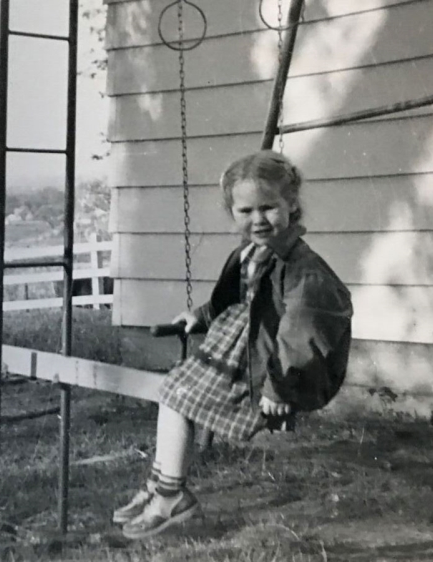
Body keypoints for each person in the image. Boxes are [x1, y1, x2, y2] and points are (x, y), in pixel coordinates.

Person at [112, 150, 353, 540]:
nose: (257, 219)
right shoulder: (252, 252)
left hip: (265, 365)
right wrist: (202, 317)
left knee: (177, 397)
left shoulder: (303, 271)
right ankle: (162, 485)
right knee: (174, 394)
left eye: (268, 207)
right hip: (236, 346)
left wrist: (280, 388)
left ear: (292, 204)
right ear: (233, 213)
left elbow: (302, 334)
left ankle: (170, 495)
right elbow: (237, 297)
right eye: (245, 211)